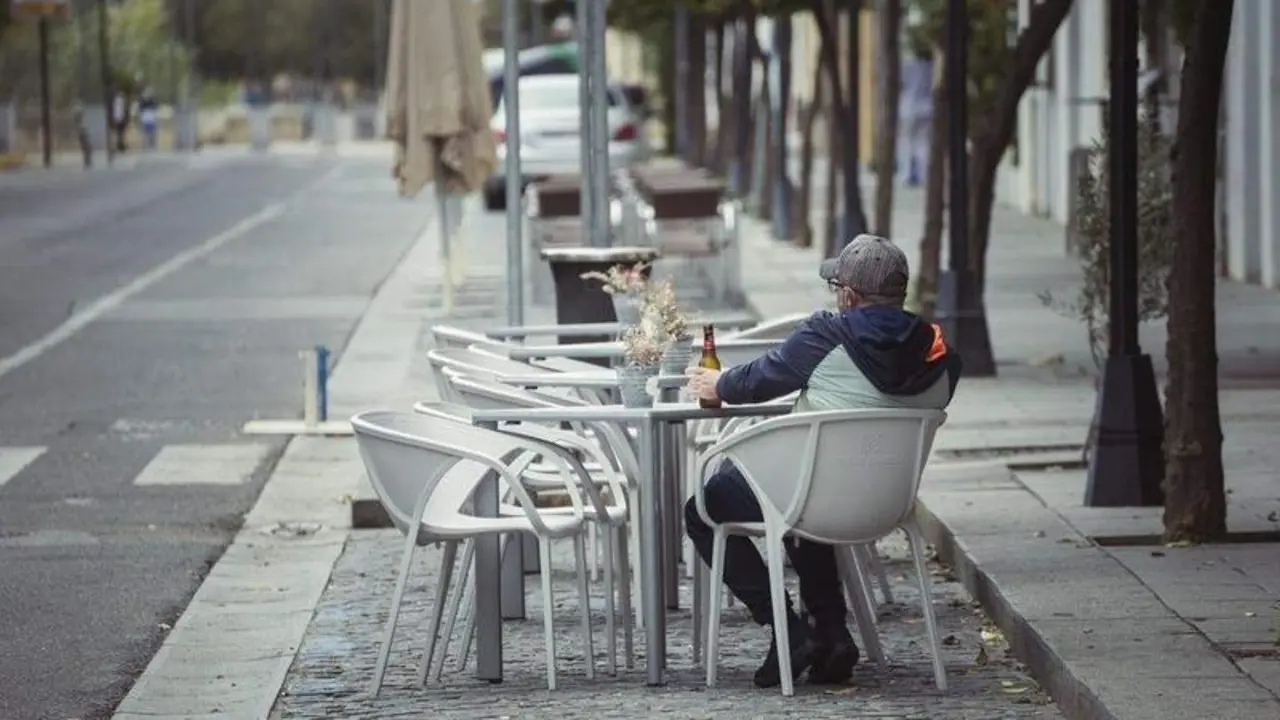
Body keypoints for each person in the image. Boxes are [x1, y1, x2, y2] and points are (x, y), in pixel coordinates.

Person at [684, 234, 963, 689]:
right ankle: (832, 636)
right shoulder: (938, 351)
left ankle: (788, 630)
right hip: (886, 503)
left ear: (848, 296)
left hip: (815, 495)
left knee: (704, 507)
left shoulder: (828, 335)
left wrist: (717, 384)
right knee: (807, 492)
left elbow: (758, 380)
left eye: (836, 288)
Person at [899, 45, 935, 187]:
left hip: (907, 107)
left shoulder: (907, 66)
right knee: (923, 143)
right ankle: (923, 175)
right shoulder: (931, 66)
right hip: (926, 107)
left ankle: (907, 174)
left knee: (907, 143)